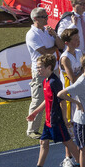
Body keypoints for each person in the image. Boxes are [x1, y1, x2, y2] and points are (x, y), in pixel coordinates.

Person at [26, 54, 82, 167]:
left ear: (49, 67)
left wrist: (65, 119)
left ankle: (82, 163)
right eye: (37, 67)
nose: (38, 70)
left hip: (56, 120)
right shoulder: (45, 81)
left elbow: (62, 102)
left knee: (68, 142)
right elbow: (47, 100)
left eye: (39, 67)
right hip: (48, 121)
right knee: (43, 142)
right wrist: (35, 112)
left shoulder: (54, 82)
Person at [26, 7, 65, 139]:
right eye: (44, 17)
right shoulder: (32, 34)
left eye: (46, 15)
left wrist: (55, 35)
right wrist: (55, 47)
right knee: (38, 99)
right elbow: (45, 52)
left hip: (53, 68)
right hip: (40, 71)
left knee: (56, 97)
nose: (47, 18)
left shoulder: (47, 31)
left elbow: (60, 45)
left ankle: (56, 122)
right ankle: (32, 129)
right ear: (36, 19)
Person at [57, 52, 85, 167]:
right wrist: (76, 102)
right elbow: (61, 94)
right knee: (84, 150)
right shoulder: (80, 82)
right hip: (83, 121)